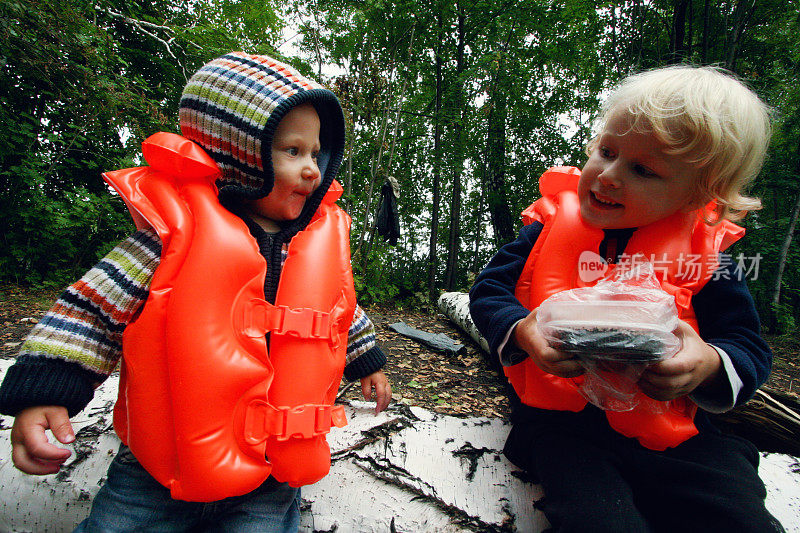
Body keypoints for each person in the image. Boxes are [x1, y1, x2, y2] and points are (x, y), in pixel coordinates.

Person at [0, 51, 391, 532]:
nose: (312, 169)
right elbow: (93, 308)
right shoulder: (172, 235)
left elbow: (335, 311)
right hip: (157, 475)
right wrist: (46, 388)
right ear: (238, 151)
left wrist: (367, 360)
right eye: (293, 152)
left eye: (316, 154)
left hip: (269, 480)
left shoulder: (314, 239)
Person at [469, 65, 784, 532]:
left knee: (738, 515)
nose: (608, 175)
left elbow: (748, 345)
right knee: (597, 519)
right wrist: (523, 330)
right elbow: (490, 291)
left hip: (677, 435)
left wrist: (708, 364)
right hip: (564, 428)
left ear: (699, 194)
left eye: (642, 169)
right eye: (607, 150)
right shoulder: (548, 225)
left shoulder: (704, 256)